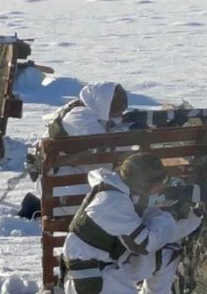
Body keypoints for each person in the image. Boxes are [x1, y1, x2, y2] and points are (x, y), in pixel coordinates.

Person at [57, 152, 202, 294]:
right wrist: (173, 213)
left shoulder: (121, 193)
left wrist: (193, 215)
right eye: (157, 184)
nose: (160, 188)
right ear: (142, 185)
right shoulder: (112, 203)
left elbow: (157, 229)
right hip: (96, 288)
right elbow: (146, 243)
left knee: (167, 254)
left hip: (109, 270)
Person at [18, 81, 129, 220]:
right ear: (105, 103)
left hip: (67, 178)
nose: (118, 115)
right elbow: (104, 145)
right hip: (62, 182)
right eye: (116, 109)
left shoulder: (88, 111)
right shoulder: (80, 116)